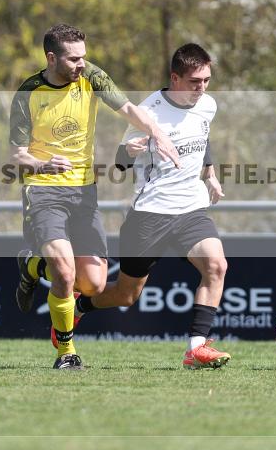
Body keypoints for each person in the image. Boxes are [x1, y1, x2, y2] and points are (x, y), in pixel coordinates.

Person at [9, 23, 180, 370]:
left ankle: (30, 266)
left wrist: (157, 134)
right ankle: (66, 352)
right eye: (73, 59)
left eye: (83, 57)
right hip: (43, 190)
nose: (81, 64)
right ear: (52, 58)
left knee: (93, 283)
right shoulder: (28, 93)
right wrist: (43, 165)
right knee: (63, 271)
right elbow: (17, 155)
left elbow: (128, 108)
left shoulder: (91, 76)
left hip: (84, 192)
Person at [65, 42, 232, 369]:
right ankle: (79, 305)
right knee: (126, 295)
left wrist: (210, 174)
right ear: (175, 78)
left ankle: (196, 348)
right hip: (150, 215)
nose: (202, 88)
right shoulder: (148, 113)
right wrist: (130, 151)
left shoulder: (207, 105)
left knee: (216, 266)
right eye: (195, 81)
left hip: (191, 210)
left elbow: (203, 135)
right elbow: (120, 162)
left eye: (206, 81)